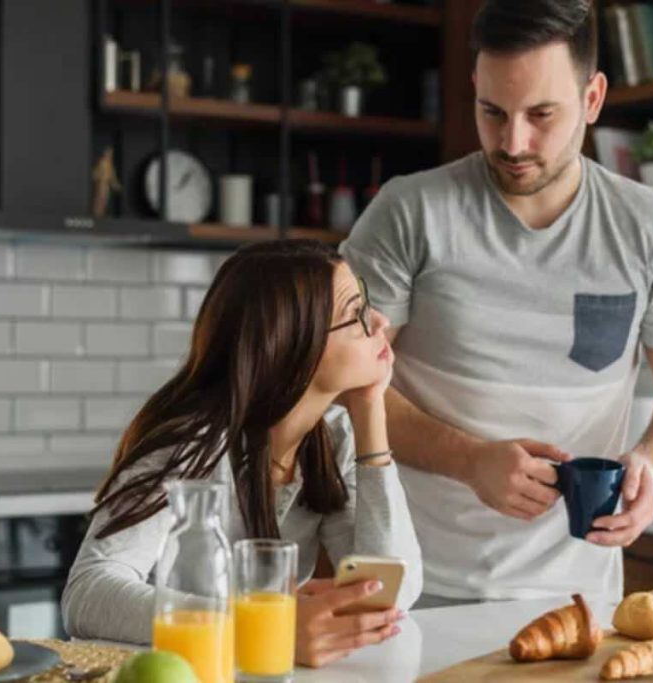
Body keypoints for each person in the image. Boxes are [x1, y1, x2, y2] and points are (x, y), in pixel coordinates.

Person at [340, 0, 653, 607]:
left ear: (592, 99)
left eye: (542, 114)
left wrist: (650, 458)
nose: (513, 142)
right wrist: (468, 460)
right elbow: (343, 384)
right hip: (414, 594)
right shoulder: (409, 211)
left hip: (579, 604)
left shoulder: (650, 227)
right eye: (493, 112)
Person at [62, 240, 422, 668]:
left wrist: (370, 410)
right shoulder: (190, 445)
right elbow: (87, 593)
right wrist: (266, 629)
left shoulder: (336, 438)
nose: (379, 320)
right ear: (292, 347)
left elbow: (389, 594)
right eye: (354, 314)